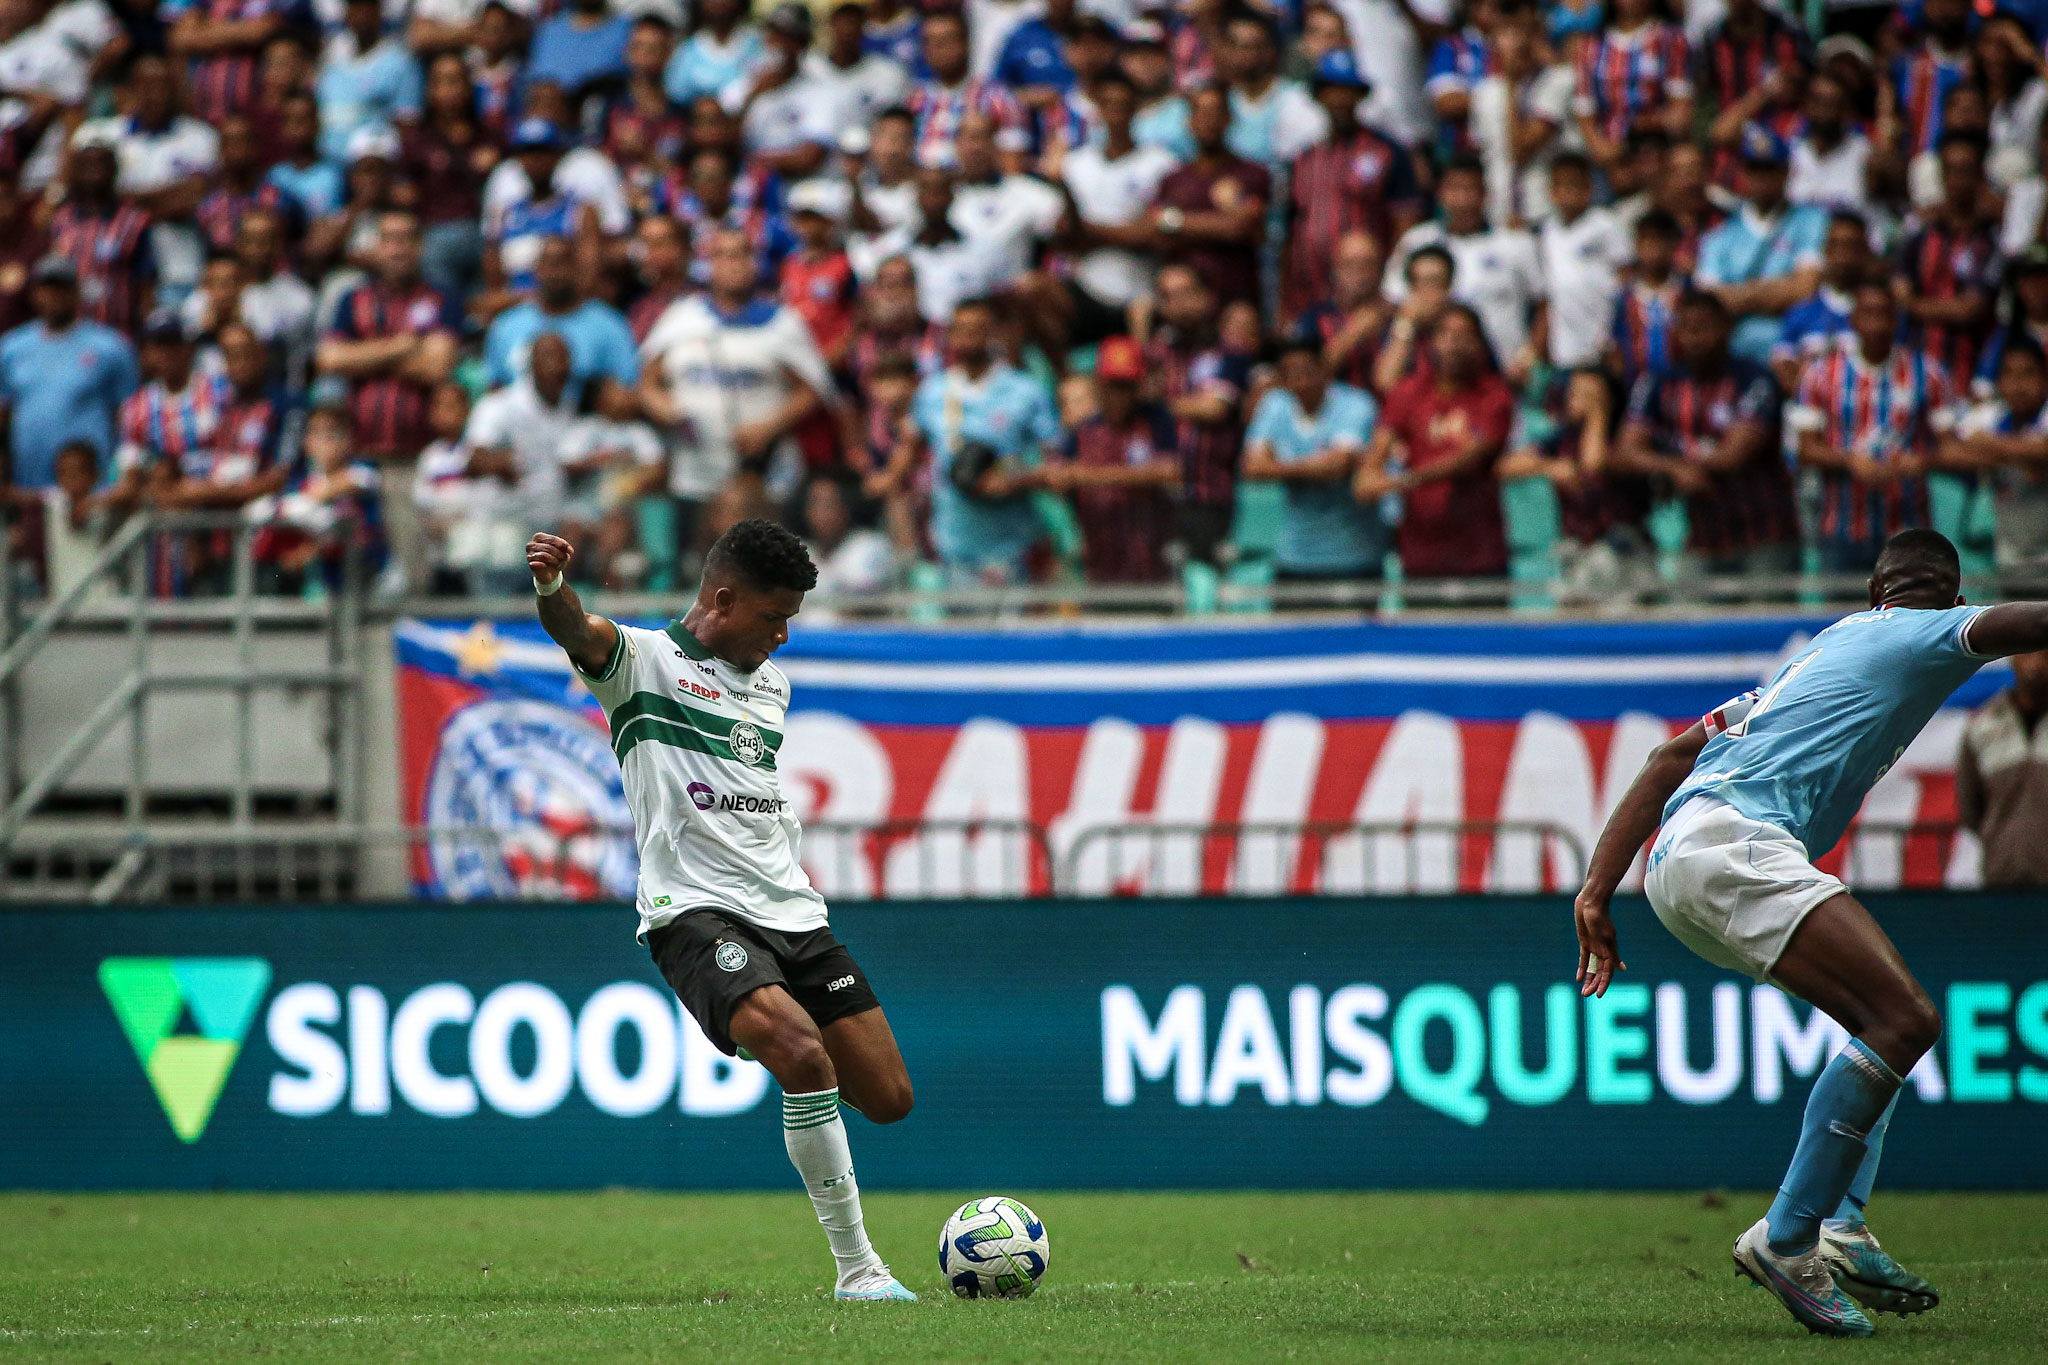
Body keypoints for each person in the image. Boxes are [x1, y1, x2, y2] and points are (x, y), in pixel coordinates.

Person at [1574, 527, 2048, 1336]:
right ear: (1952, 597)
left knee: (1877, 1023)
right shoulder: (1926, 630)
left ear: (1873, 592)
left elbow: (1663, 758)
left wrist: (1593, 893)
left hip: (1676, 862)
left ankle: (1841, 1223)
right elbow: (2026, 625)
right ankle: (1788, 1237)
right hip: (1737, 844)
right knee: (1906, 1019)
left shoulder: (1809, 662)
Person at [525, 517, 918, 1302]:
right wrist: (552, 586)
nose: (781, 636)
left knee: (888, 1096)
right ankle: (859, 1270)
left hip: (794, 911)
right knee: (802, 1055)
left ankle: (801, 1096)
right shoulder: (640, 660)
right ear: (724, 598)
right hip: (694, 910)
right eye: (774, 617)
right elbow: (575, 626)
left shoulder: (772, 684)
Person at [638, 227, 835, 537]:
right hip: (695, 473)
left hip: (761, 475)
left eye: (742, 254)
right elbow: (646, 382)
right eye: (724, 255)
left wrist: (769, 426)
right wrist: (665, 408)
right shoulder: (682, 317)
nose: (734, 263)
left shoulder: (782, 323)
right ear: (709, 264)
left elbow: (815, 391)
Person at [1615, 288, 1796, 575]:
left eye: (1703, 327)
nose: (1695, 338)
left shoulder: (1754, 380)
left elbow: (1733, 455)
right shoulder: (1658, 384)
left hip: (1762, 535)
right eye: (1686, 328)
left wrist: (1670, 465)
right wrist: (1675, 470)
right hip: (1701, 539)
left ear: (1726, 328)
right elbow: (1625, 452)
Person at [1790, 281, 1956, 574]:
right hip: (1841, 526)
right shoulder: (1820, 374)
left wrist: (1920, 461)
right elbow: (1805, 449)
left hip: (1908, 526)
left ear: (1896, 319)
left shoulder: (1927, 372)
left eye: (1884, 314)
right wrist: (1850, 460)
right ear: (1852, 319)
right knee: (1843, 616)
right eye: (1868, 313)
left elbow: (1952, 446)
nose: (1877, 324)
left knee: (1910, 615)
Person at [1356, 302, 1513, 578]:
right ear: (1431, 343)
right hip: (1420, 554)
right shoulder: (1408, 392)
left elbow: (1469, 459)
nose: (1454, 345)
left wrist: (1402, 481)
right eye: (1446, 335)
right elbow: (1375, 458)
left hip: (1479, 555)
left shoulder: (1494, 395)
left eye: (1464, 336)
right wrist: (1369, 473)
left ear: (1479, 344)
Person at [1242, 333, 1381, 584]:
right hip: (1293, 557)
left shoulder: (1356, 404)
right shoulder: (1274, 405)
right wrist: (1316, 465)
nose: (1300, 381)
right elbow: (1252, 468)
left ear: (1324, 370)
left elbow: (1338, 466)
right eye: (1290, 374)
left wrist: (1280, 467)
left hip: (1353, 557)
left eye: (1306, 371)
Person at [1695, 123, 1829, 367]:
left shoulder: (1812, 220)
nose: (1762, 179)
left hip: (1792, 353)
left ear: (1786, 172)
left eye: (1770, 170)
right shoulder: (1720, 236)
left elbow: (1805, 289)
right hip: (1735, 358)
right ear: (1744, 173)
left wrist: (1736, 296)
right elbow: (1709, 304)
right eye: (1755, 170)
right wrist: (1778, 292)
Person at [0, 254, 138, 489]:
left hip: (93, 487)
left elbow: (130, 416)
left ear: (76, 293)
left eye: (62, 288)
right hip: (29, 484)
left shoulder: (111, 347)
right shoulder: (11, 348)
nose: (55, 297)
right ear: (35, 294)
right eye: (47, 289)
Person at [1052, 334, 1179, 584]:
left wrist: (1089, 475)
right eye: (1113, 385)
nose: (1120, 395)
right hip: (1099, 559)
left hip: (1149, 560)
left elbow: (1171, 471)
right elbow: (1058, 475)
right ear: (1099, 383)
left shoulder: (1156, 421)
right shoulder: (1085, 430)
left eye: (1126, 386)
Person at [1956, 646, 2048, 887]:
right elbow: (1970, 808)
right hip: (2002, 877)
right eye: (2029, 653)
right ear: (2014, 658)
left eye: (2046, 655)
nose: (2036, 664)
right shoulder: (1984, 724)